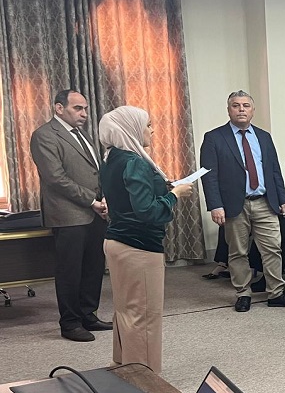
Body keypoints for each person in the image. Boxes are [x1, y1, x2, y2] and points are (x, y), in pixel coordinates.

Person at [99, 106, 192, 374]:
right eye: (148, 124)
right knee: (144, 315)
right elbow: (148, 212)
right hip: (138, 246)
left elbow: (129, 197)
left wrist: (166, 187)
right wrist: (174, 196)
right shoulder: (135, 161)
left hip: (117, 242)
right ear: (130, 128)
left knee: (126, 311)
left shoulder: (112, 159)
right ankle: (144, 379)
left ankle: (123, 364)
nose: (152, 129)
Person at [199, 90, 285, 312]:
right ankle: (243, 293)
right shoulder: (214, 138)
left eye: (246, 105)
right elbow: (209, 175)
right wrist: (215, 205)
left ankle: (276, 292)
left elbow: (274, 170)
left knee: (273, 248)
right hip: (234, 205)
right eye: (236, 106)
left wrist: (283, 198)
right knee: (237, 251)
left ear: (253, 110)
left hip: (265, 202)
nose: (241, 110)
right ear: (229, 110)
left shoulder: (264, 137)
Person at [29, 89, 112, 342]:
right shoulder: (44, 135)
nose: (84, 114)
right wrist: (91, 200)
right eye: (78, 108)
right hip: (69, 215)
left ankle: (88, 315)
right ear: (59, 108)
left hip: (95, 212)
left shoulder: (82, 134)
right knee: (70, 271)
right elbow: (55, 178)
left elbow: (95, 171)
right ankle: (70, 323)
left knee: (93, 267)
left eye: (85, 108)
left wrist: (105, 197)